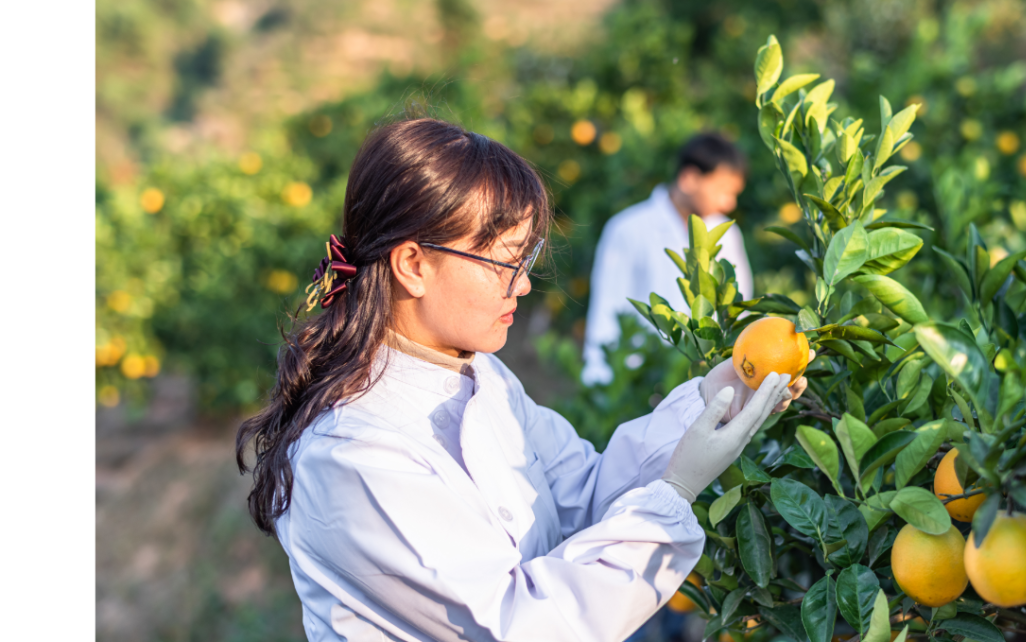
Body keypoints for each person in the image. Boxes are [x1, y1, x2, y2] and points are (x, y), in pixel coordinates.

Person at [235, 117, 809, 642]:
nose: (524, 286)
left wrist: (715, 396)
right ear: (413, 264)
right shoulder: (352, 455)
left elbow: (582, 496)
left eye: (525, 260)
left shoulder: (481, 375)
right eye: (505, 263)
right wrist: (674, 495)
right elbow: (516, 624)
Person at [581, 133, 754, 385]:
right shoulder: (628, 228)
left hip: (708, 380)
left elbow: (738, 305)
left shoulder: (727, 233)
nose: (729, 203)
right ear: (689, 178)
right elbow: (607, 308)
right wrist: (600, 385)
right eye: (722, 191)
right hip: (640, 380)